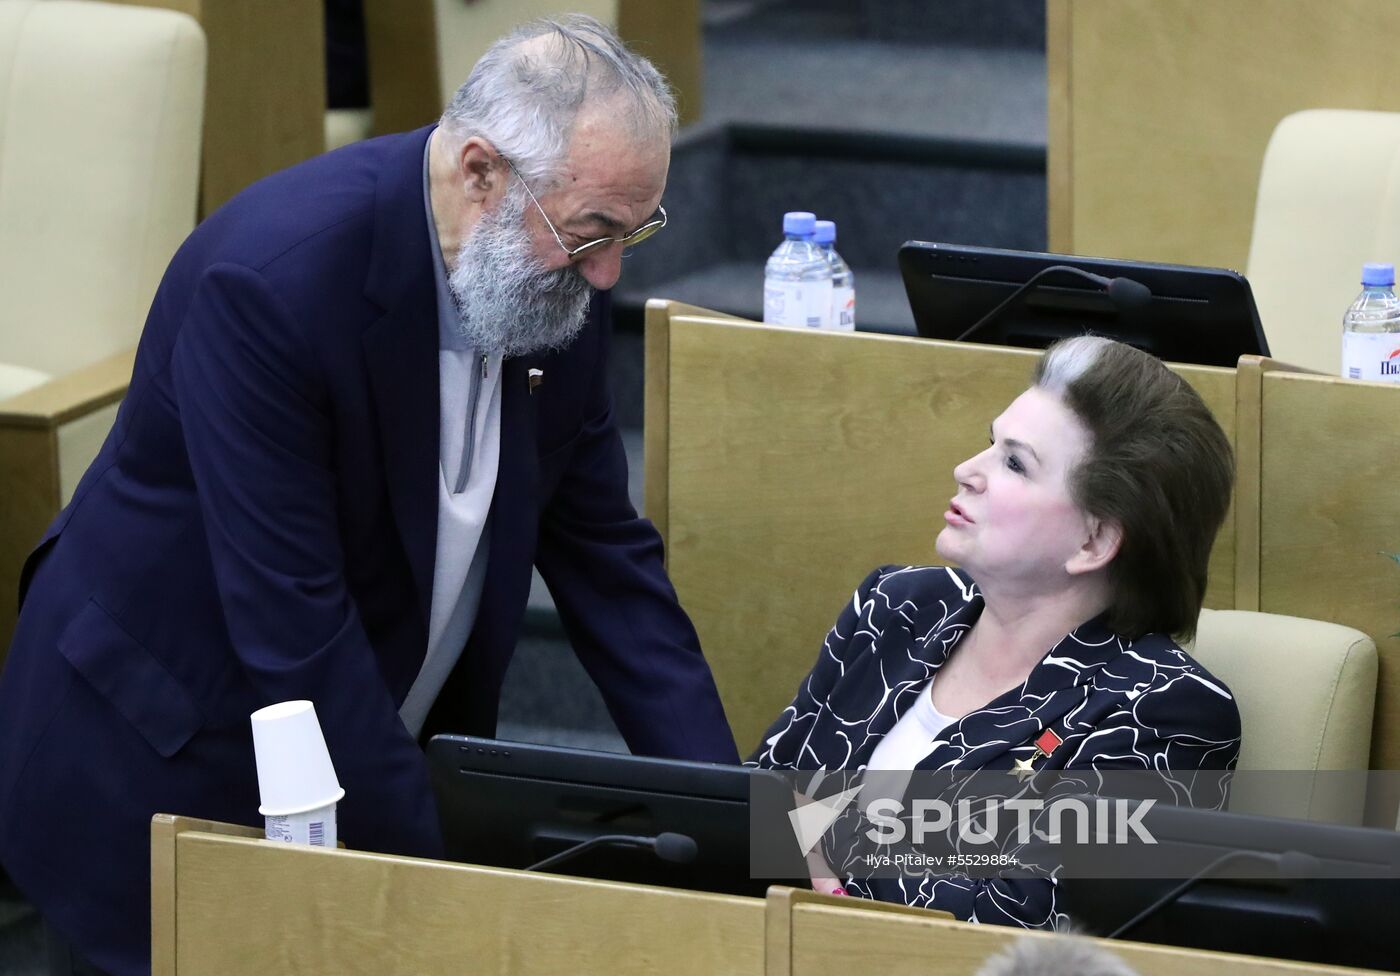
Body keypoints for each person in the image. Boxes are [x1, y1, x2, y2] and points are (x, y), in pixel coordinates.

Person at [0, 16, 737, 975]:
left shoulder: (554, 278)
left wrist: (738, 831)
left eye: (632, 234)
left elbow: (610, 566)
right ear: (480, 172)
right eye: (593, 233)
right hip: (162, 761)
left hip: (362, 744)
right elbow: (295, 628)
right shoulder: (270, 285)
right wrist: (454, 889)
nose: (609, 275)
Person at [752, 335, 1241, 928]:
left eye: (1014, 463)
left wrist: (809, 831)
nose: (966, 471)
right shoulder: (899, 605)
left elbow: (1025, 920)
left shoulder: (1164, 710)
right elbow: (750, 802)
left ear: (1095, 541)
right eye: (991, 444)